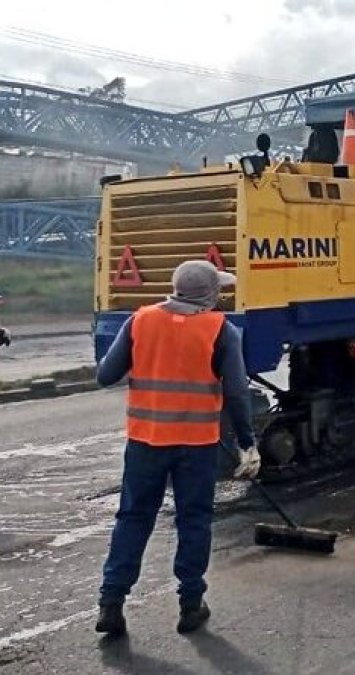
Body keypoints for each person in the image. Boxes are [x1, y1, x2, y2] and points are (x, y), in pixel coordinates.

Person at [94, 261, 259, 636]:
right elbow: (236, 392)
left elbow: (105, 375)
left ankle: (111, 603)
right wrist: (247, 443)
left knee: (133, 518)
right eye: (219, 290)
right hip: (196, 446)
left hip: (145, 442)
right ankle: (190, 604)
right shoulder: (222, 330)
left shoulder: (139, 321)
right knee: (194, 520)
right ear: (210, 294)